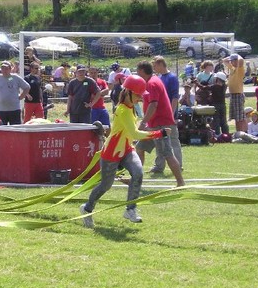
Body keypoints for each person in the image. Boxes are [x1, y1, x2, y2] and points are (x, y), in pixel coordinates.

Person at [79, 75, 171, 228]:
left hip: (127, 149)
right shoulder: (122, 110)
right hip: (112, 153)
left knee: (138, 173)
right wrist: (159, 133)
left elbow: (132, 134)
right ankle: (87, 208)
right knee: (105, 186)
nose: (140, 98)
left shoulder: (132, 108)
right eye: (138, 95)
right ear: (128, 92)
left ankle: (131, 209)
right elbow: (135, 134)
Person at [135, 61, 185, 187]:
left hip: (161, 124)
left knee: (167, 153)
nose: (137, 74)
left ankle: (180, 182)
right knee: (140, 148)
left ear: (142, 71)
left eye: (138, 71)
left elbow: (153, 104)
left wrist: (144, 122)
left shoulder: (152, 83)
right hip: (153, 124)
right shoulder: (151, 82)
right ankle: (136, 179)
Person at [150, 56, 183, 173]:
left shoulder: (172, 78)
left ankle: (178, 165)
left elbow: (174, 97)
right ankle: (159, 166)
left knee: (173, 140)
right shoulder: (158, 78)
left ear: (160, 64)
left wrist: (172, 114)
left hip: (169, 116)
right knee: (158, 141)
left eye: (155, 65)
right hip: (159, 116)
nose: (154, 68)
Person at [0, 61, 30, 125]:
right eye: (2, 68)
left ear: (10, 69)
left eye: (6, 68)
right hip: (1, 109)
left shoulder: (15, 77)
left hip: (14, 109)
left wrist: (21, 96)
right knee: (2, 129)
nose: (4, 70)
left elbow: (27, 87)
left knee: (15, 129)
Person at [224, 53, 247, 132]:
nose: (230, 62)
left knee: (240, 117)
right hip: (233, 94)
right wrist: (232, 56)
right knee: (236, 117)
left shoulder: (239, 69)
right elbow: (225, 60)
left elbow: (241, 60)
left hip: (238, 94)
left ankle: (242, 132)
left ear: (236, 61)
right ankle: (238, 132)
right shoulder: (232, 69)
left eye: (232, 61)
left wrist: (237, 55)